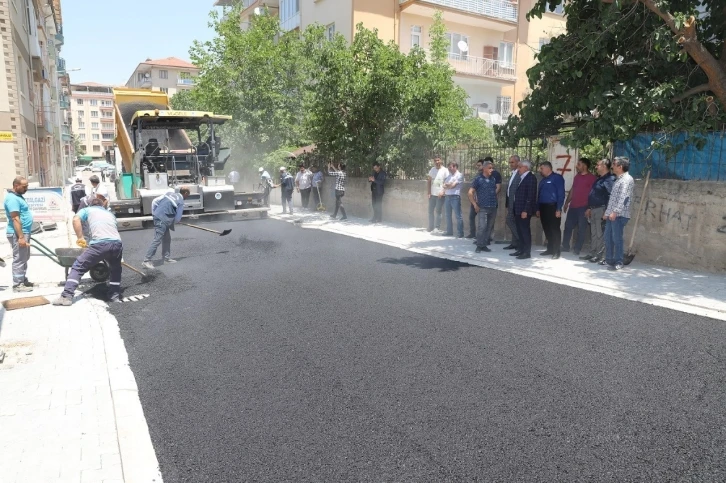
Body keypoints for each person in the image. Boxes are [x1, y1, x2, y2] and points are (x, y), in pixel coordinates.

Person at [52, 198, 123, 306]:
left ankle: (66, 296)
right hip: (117, 244)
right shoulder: (110, 214)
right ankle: (114, 296)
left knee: (78, 266)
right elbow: (112, 231)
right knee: (115, 269)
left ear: (90, 205)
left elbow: (76, 219)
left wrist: (80, 238)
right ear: (102, 205)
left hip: (100, 245)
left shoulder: (87, 210)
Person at [142, 188, 190, 270]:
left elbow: (155, 201)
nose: (187, 197)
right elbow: (178, 218)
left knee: (167, 238)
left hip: (161, 218)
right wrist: (175, 221)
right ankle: (147, 260)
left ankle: (166, 258)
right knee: (157, 239)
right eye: (188, 195)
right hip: (163, 219)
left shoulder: (169, 194)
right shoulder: (181, 201)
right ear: (185, 193)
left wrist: (155, 214)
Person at [602, 156, 635, 270]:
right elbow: (613, 199)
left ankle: (619, 261)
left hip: (619, 215)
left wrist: (615, 212)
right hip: (612, 215)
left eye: (614, 164)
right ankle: (609, 260)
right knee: (608, 237)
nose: (612, 166)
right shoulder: (619, 179)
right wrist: (607, 213)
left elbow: (623, 198)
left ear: (620, 167)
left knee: (617, 238)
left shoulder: (627, 179)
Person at [581, 159, 616, 263]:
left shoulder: (609, 179)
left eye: (598, 165)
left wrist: (607, 210)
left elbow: (611, 196)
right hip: (594, 209)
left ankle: (599, 255)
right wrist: (588, 207)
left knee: (600, 233)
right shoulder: (599, 179)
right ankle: (593, 253)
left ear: (604, 166)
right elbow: (593, 194)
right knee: (594, 233)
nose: (596, 167)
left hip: (601, 209)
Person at [562, 158, 596, 255]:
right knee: (568, 227)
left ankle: (577, 249)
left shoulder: (592, 178)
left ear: (585, 166)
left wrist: (590, 208)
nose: (577, 166)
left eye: (579, 164)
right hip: (573, 206)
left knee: (581, 229)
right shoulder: (577, 177)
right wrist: (567, 202)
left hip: (583, 207)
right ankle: (565, 246)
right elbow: (573, 189)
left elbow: (593, 194)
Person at [4, 177, 32, 291]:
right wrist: (20, 237)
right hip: (17, 234)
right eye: (24, 186)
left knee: (24, 257)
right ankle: (18, 285)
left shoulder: (18, 197)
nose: (26, 189)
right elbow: (15, 218)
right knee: (19, 258)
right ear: (16, 186)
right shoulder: (12, 199)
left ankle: (23, 280)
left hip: (23, 232)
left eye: (27, 186)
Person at [536, 161, 566, 259]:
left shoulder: (557, 178)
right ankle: (550, 249)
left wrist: (558, 209)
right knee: (547, 229)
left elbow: (561, 194)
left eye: (542, 168)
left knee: (554, 229)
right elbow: (539, 195)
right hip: (543, 207)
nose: (540, 170)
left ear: (548, 168)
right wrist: (537, 209)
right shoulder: (543, 180)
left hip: (553, 207)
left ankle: (557, 251)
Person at [468, 160, 498, 253]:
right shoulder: (478, 179)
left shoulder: (493, 179)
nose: (491, 170)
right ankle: (479, 245)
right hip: (482, 208)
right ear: (484, 168)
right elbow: (470, 193)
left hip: (493, 207)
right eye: (489, 168)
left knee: (489, 227)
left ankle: (484, 244)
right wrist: (474, 204)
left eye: (492, 168)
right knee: (482, 227)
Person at [511, 160, 537, 260]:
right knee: (520, 230)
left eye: (520, 167)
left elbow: (530, 196)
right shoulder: (523, 177)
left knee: (525, 231)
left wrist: (525, 210)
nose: (518, 169)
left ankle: (527, 252)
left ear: (526, 167)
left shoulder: (530, 178)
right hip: (518, 209)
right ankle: (521, 250)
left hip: (524, 211)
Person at [442, 162, 464, 238]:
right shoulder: (449, 176)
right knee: (448, 215)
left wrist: (449, 185)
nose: (449, 169)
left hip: (455, 197)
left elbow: (453, 186)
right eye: (448, 167)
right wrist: (449, 185)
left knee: (458, 216)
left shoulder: (460, 175)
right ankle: (449, 231)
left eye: (450, 167)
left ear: (455, 167)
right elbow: (444, 185)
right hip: (447, 196)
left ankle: (460, 233)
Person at [504, 154, 521, 251]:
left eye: (512, 162)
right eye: (510, 162)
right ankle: (514, 243)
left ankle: (520, 240)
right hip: (510, 202)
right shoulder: (513, 173)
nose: (510, 164)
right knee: (513, 221)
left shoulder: (520, 173)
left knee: (509, 220)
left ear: (518, 162)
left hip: (516, 203)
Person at [426, 156, 447, 233]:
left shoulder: (445, 170)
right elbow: (429, 181)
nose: (437, 162)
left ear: (441, 160)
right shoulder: (432, 169)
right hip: (432, 194)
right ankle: (430, 227)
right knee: (430, 211)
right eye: (435, 161)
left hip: (440, 195)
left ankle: (436, 228)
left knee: (438, 211)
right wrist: (429, 192)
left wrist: (443, 191)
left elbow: (447, 182)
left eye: (438, 160)